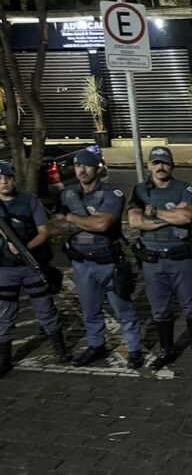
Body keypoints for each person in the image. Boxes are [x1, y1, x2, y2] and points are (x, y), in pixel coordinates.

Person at [51, 149, 143, 368]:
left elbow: (103, 224)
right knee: (90, 310)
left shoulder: (112, 194)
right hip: (81, 263)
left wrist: (71, 218)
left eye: (87, 166)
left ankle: (134, 350)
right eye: (78, 166)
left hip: (109, 262)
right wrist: (84, 221)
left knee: (123, 309)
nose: (82, 170)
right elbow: (56, 225)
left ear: (98, 168)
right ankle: (96, 345)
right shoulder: (67, 195)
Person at [127, 147, 192, 371]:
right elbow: (134, 221)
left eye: (164, 162)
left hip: (181, 258)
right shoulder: (140, 191)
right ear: (149, 166)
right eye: (156, 163)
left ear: (172, 165)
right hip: (152, 260)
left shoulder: (184, 188)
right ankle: (166, 350)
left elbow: (186, 217)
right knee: (160, 310)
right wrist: (171, 217)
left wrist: (154, 213)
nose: (160, 166)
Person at [0, 162, 70, 377]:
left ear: (14, 179)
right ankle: (4, 359)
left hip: (32, 265)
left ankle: (60, 350)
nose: (3, 182)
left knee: (45, 309)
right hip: (4, 268)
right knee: (4, 315)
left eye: (7, 178)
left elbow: (44, 231)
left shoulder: (29, 201)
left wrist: (24, 248)